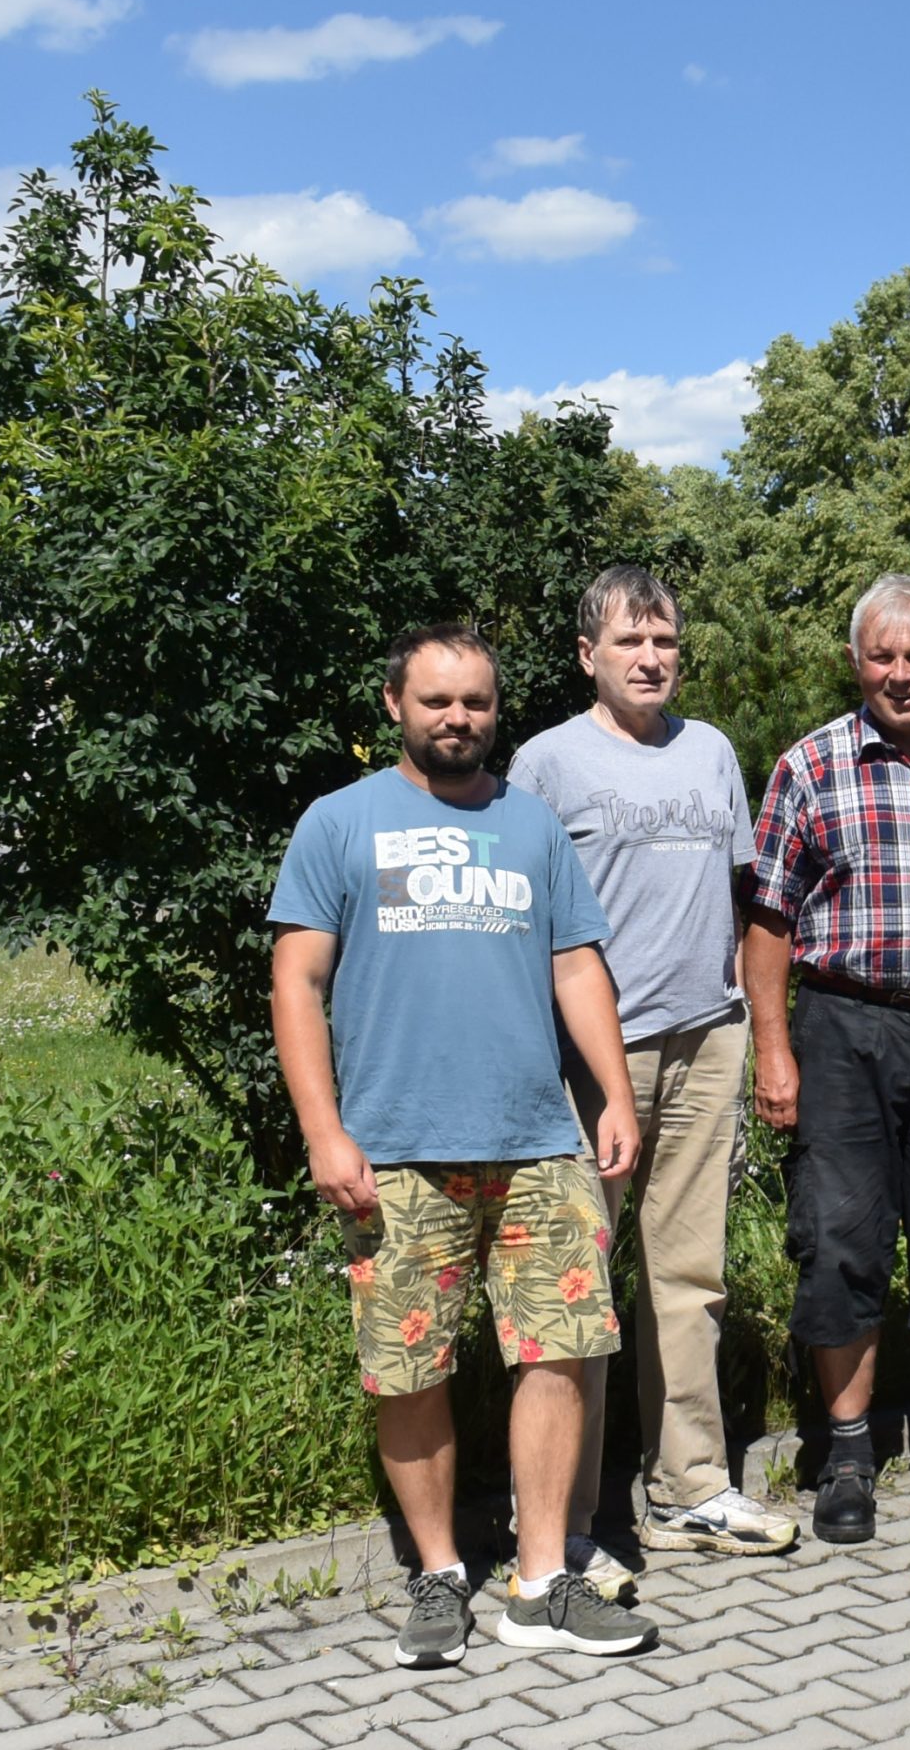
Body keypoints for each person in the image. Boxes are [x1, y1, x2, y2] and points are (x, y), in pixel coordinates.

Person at [269, 624, 659, 1666]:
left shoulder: (530, 828)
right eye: (437, 701)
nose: (458, 719)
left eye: (477, 703)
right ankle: (438, 1574)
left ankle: (540, 1583)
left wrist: (612, 1097)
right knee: (409, 1369)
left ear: (497, 710)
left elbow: (577, 971)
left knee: (559, 1355)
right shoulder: (338, 824)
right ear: (395, 703)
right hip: (394, 1150)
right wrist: (324, 1130)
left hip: (539, 1142)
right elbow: (297, 983)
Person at [509, 566, 798, 1586]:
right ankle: (570, 1523)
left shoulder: (711, 751)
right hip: (596, 1058)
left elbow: (739, 893)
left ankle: (691, 1488)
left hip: (705, 1037)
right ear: (588, 653)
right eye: (630, 642)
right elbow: (523, 922)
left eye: (665, 641)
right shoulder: (545, 763)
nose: (650, 659)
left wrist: (753, 1030)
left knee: (689, 1276)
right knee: (578, 1290)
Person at [744, 574, 910, 1546]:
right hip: (841, 1029)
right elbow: (766, 923)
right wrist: (774, 1052)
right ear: (856, 662)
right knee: (840, 1239)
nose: (901, 673)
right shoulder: (808, 767)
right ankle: (846, 1449)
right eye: (883, 656)